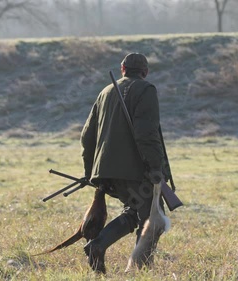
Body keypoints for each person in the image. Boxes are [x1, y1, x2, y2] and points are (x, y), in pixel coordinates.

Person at [80, 53, 169, 274]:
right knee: (152, 217)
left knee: (134, 211)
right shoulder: (146, 90)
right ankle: (139, 268)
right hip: (135, 170)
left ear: (122, 68)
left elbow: (87, 136)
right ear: (145, 72)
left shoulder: (105, 91)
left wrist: (90, 172)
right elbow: (146, 133)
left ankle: (99, 246)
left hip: (107, 171)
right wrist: (156, 168)